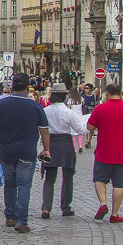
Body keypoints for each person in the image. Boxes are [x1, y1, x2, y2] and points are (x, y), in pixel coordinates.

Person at [0, 73, 51, 233]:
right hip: (27, 151)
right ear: (27, 87)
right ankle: (21, 221)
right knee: (24, 185)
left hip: (6, 150)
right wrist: (46, 149)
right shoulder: (35, 106)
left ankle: (10, 216)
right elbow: (44, 130)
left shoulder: (2, 105)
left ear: (12, 86)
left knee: (10, 184)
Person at [86, 83, 123, 223]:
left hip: (104, 151)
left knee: (99, 179)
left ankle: (103, 204)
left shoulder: (100, 109)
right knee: (119, 184)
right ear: (121, 94)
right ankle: (115, 214)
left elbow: (90, 126)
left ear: (107, 94)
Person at [39, 83, 89, 218]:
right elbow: (80, 130)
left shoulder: (45, 111)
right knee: (68, 177)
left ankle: (46, 207)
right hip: (66, 144)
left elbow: (41, 129)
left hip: (49, 144)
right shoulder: (69, 113)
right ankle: (65, 207)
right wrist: (91, 126)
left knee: (49, 178)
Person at [69, 88, 87, 154]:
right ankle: (80, 146)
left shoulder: (70, 100)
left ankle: (75, 149)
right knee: (79, 133)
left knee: (74, 134)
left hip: (73, 117)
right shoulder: (81, 99)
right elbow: (84, 105)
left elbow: (68, 109)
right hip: (80, 117)